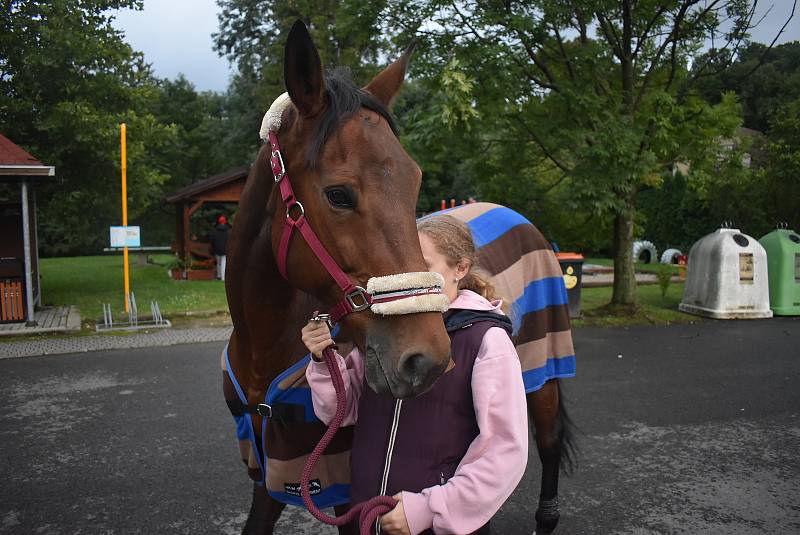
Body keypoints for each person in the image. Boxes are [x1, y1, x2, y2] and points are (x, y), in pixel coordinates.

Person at [302, 215, 528, 535]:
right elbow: (340, 412)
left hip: (436, 525)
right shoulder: (384, 330)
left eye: (424, 264)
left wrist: (430, 509)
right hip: (364, 514)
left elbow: (505, 450)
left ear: (460, 269)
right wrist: (323, 359)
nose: (412, 277)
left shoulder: (486, 340)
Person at [211, 214, 230, 281]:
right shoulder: (228, 231)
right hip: (225, 250)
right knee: (224, 263)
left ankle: (219, 276)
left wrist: (213, 249)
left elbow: (212, 241)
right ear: (225, 222)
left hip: (217, 249)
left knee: (218, 263)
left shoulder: (215, 231)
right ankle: (223, 277)